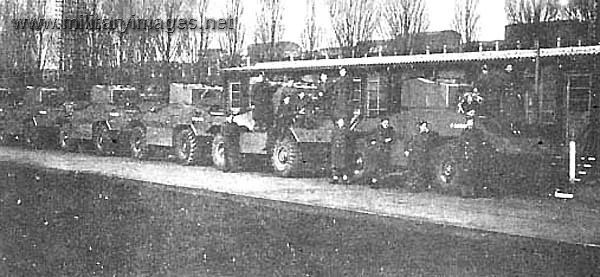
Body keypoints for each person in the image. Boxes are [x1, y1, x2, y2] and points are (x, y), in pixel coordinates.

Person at [404, 121, 439, 190]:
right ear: (420, 127)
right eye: (423, 126)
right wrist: (406, 150)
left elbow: (435, 138)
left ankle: (420, 184)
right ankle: (413, 184)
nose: (424, 127)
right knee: (413, 169)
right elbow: (408, 142)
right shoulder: (415, 134)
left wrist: (428, 132)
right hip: (414, 154)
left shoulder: (428, 135)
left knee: (421, 169)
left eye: (426, 126)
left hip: (422, 154)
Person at [330, 117, 352, 184]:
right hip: (336, 148)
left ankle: (344, 177)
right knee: (335, 163)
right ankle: (335, 177)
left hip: (343, 149)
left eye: (342, 122)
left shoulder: (346, 130)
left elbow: (349, 139)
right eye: (340, 122)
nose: (341, 123)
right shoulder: (335, 130)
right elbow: (332, 138)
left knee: (343, 163)